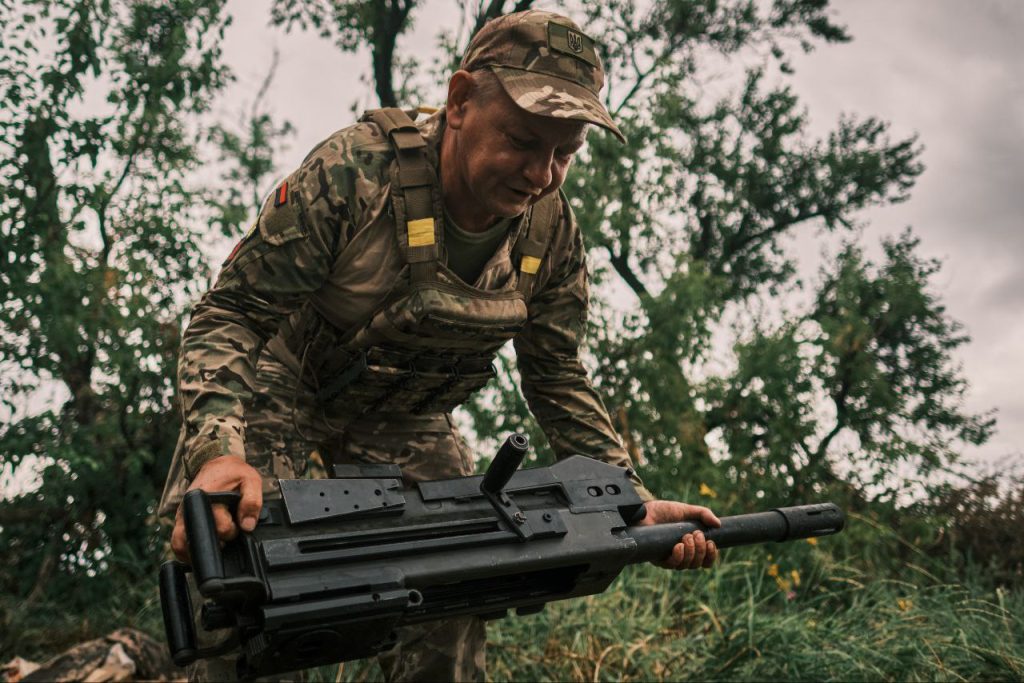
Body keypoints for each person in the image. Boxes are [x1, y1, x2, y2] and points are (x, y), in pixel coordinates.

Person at [160, 9, 720, 682]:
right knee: (255, 581)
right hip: (281, 379)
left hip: (405, 414)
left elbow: (556, 370)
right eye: (522, 139)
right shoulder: (355, 174)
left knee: (462, 578)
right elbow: (231, 314)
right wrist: (220, 453)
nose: (541, 173)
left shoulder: (550, 236)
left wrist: (628, 498)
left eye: (564, 153)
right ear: (460, 102)